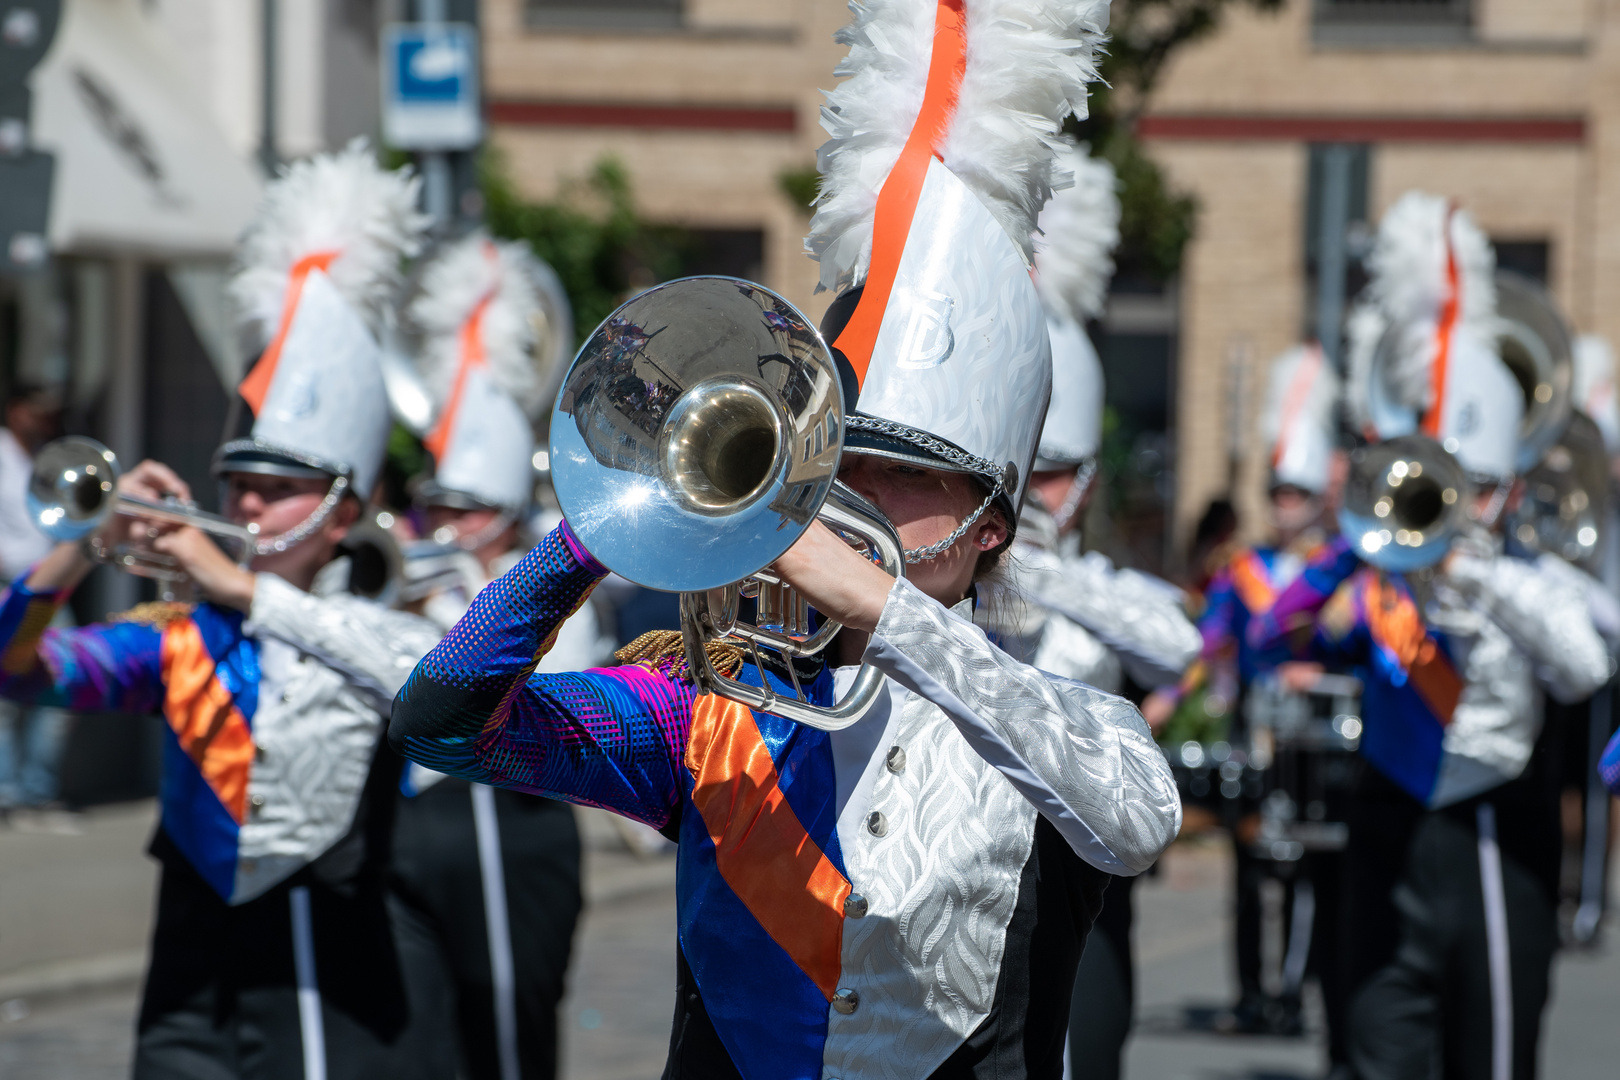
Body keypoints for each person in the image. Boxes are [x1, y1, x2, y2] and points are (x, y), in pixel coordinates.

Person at [392, 1, 1179, 1075]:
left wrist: (881, 608)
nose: (854, 496)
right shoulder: (704, 716)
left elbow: (1134, 824)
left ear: (989, 526)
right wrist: (598, 530)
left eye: (903, 475)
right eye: (840, 462)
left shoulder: (1064, 726)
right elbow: (441, 722)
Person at [0, 144, 461, 1079]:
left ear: (344, 506)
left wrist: (248, 588)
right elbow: (18, 666)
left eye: (277, 489)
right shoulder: (178, 637)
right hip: (191, 966)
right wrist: (84, 539)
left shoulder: (379, 619)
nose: (246, 507)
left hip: (335, 967)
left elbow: (431, 675)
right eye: (237, 483)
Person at [1252, 191, 1612, 1080]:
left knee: (1492, 1061)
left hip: (1495, 837)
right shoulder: (1378, 575)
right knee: (1376, 1056)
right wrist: (1349, 541)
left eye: (1476, 484)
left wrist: (1474, 572)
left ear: (1511, 487)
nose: (1458, 505)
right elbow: (1267, 631)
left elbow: (1583, 668)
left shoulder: (1532, 579)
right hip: (1388, 829)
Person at [976, 141, 1200, 1080]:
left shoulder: (1110, 590)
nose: (1035, 494)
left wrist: (1042, 569)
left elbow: (1177, 644)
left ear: (1090, 480)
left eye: (1055, 474)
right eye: (1020, 475)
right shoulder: (964, 568)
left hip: (1085, 885)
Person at [389, 231, 597, 1080]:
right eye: (438, 505)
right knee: (425, 1041)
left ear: (510, 513)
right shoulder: (404, 574)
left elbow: (559, 676)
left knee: (511, 1037)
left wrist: (480, 589)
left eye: (469, 511)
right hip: (413, 824)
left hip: (516, 821)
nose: (446, 526)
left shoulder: (547, 576)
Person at [1143, 337, 1344, 1040]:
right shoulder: (1240, 570)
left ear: (1320, 499)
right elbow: (1208, 640)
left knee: (1305, 874)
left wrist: (1322, 672)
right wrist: (1169, 697)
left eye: (1298, 494)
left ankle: (1293, 991)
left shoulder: (1340, 571)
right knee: (1253, 868)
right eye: (1278, 493)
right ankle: (1252, 993)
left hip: (1314, 739)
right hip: (1252, 732)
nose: (1285, 505)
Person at [0, 384, 72, 817]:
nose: (43, 421)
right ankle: (7, 793)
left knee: (61, 684)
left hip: (51, 589)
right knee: (3, 695)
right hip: (7, 585)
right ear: (15, 411)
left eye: (49, 414)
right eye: (36, 412)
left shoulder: (54, 458)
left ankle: (38, 790)